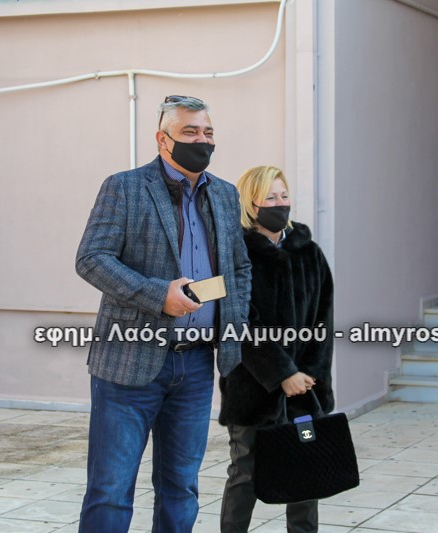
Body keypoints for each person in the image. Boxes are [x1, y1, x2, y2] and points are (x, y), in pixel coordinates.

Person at [76, 95, 251, 532]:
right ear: (162, 139)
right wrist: (158, 295)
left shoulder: (225, 195)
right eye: (190, 132)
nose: (202, 140)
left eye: (208, 132)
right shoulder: (125, 187)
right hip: (129, 362)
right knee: (111, 491)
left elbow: (239, 269)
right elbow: (92, 259)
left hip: (196, 365)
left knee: (181, 488)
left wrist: (235, 326)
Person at [218, 165, 334, 533]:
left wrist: (309, 375)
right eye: (270, 197)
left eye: (284, 195)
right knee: (245, 471)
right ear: (250, 203)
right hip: (251, 389)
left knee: (306, 469)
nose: (280, 203)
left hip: (305, 391)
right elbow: (239, 323)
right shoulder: (236, 255)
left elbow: (323, 320)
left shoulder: (309, 253)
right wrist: (282, 373)